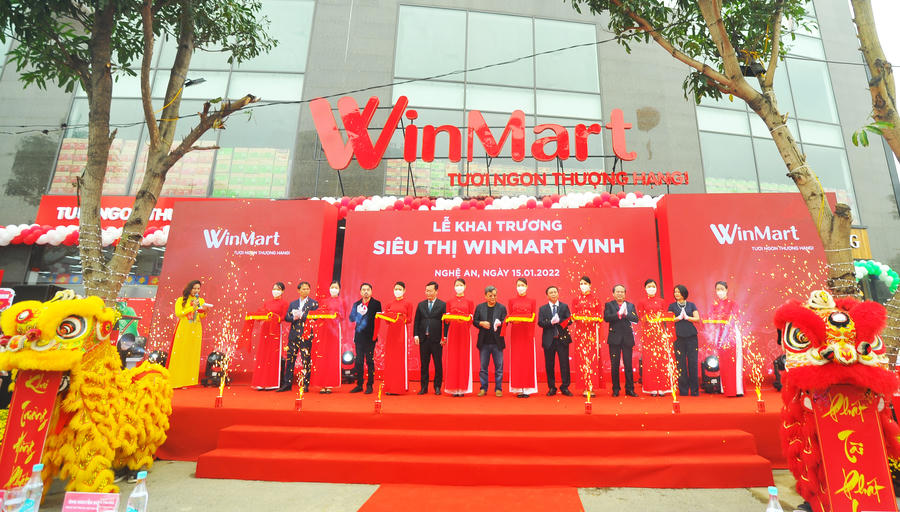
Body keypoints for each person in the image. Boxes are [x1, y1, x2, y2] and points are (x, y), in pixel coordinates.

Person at [244, 282, 290, 390]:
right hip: (265, 330)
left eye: (278, 289)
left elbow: (283, 317)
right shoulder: (267, 303)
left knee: (273, 354)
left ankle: (271, 383)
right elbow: (261, 314)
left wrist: (274, 317)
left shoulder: (284, 303)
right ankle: (260, 382)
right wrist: (259, 317)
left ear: (282, 291)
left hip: (275, 330)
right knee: (263, 354)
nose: (275, 291)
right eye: (274, 289)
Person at [169, 280, 211, 388]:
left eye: (198, 288)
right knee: (181, 353)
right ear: (190, 288)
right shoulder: (181, 300)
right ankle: (176, 381)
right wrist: (192, 307)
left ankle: (187, 381)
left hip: (196, 329)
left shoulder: (201, 300)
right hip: (184, 329)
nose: (196, 290)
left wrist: (205, 311)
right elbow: (179, 313)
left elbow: (200, 316)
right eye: (194, 288)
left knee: (192, 354)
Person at [280, 281, 319, 392]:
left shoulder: (313, 303)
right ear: (298, 290)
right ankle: (287, 384)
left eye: (307, 289)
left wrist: (303, 315)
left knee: (305, 360)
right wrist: (294, 317)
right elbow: (286, 317)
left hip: (306, 335)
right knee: (290, 359)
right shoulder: (293, 303)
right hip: (293, 335)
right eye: (303, 289)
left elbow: (316, 317)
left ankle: (305, 384)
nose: (305, 291)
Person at [603, 284, 640, 397]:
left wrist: (626, 314)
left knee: (628, 364)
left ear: (625, 294)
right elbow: (606, 318)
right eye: (617, 292)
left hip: (627, 338)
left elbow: (636, 319)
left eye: (622, 292)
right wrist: (618, 314)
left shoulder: (630, 305)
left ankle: (630, 389)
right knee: (615, 365)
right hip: (614, 339)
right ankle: (616, 389)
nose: (620, 294)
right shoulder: (609, 305)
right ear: (613, 294)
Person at [570, 276, 604, 396]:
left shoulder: (596, 299)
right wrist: (578, 317)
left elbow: (600, 316)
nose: (583, 285)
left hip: (592, 333)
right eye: (581, 283)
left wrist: (591, 318)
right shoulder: (576, 299)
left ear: (590, 285)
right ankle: (584, 386)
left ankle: (592, 386)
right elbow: (573, 315)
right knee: (582, 359)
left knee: (592, 359)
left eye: (585, 283)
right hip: (580, 333)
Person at [637, 279, 671, 396]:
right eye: (649, 286)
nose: (651, 288)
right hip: (648, 334)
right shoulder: (641, 302)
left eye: (653, 286)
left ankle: (662, 388)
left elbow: (665, 316)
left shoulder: (662, 301)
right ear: (645, 288)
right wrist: (650, 316)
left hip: (660, 333)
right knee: (650, 360)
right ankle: (651, 388)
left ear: (656, 288)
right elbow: (640, 317)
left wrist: (660, 316)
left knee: (661, 359)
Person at [708, 281, 742, 397]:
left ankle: (736, 390)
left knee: (732, 362)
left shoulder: (733, 303)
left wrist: (725, 320)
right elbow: (711, 318)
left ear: (727, 290)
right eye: (718, 289)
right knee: (723, 362)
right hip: (720, 335)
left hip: (731, 334)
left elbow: (736, 317)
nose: (720, 291)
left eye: (722, 289)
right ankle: (726, 388)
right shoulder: (714, 305)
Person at [379, 281, 413, 395]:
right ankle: (390, 387)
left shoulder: (408, 304)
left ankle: (399, 387)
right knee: (390, 359)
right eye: (396, 289)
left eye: (399, 289)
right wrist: (387, 316)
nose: (397, 291)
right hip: (391, 333)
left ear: (404, 290)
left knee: (400, 359)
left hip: (401, 332)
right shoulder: (389, 304)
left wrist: (401, 317)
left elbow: (409, 319)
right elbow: (387, 321)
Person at [537, 285, 573, 397]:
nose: (553, 294)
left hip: (562, 340)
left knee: (564, 364)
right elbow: (540, 323)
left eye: (555, 292)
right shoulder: (543, 309)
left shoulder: (564, 306)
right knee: (549, 365)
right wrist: (551, 322)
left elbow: (570, 320)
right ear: (547, 296)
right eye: (551, 292)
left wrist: (559, 321)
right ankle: (552, 387)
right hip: (549, 341)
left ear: (558, 293)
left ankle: (565, 387)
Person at [310, 281, 345, 393]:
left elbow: (343, 316)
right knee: (322, 354)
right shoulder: (324, 301)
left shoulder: (342, 301)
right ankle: (322, 384)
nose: (333, 289)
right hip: (323, 329)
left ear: (339, 289)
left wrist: (335, 315)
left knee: (332, 356)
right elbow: (320, 313)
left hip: (334, 331)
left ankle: (330, 384)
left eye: (336, 287)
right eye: (332, 287)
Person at [413, 281, 447, 395]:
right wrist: (416, 335)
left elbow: (446, 322)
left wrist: (444, 337)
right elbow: (417, 321)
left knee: (438, 364)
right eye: (426, 291)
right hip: (424, 339)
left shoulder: (442, 305)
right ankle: (424, 387)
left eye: (430, 291)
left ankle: (437, 387)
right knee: (424, 364)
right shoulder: (421, 305)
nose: (427, 293)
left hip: (437, 340)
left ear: (436, 291)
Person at [443, 278, 475, 397]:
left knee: (463, 358)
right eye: (456, 285)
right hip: (453, 332)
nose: (458, 287)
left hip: (464, 332)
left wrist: (465, 319)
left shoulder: (469, 302)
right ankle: (453, 389)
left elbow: (471, 318)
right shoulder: (449, 302)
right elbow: (446, 320)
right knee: (453, 358)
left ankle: (462, 388)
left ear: (465, 287)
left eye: (461, 285)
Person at [473, 286, 507, 397]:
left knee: (499, 368)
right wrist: (481, 323)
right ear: (485, 296)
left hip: (497, 343)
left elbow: (505, 321)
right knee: (483, 368)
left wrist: (500, 323)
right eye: (490, 296)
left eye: (495, 295)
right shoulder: (480, 307)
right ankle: (483, 388)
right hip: (484, 342)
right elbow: (474, 321)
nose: (493, 297)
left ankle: (498, 389)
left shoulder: (502, 308)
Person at [668, 284, 701, 397]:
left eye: (678, 292)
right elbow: (668, 320)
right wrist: (678, 318)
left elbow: (697, 319)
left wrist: (687, 317)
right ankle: (683, 390)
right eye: (675, 292)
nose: (676, 294)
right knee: (680, 364)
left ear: (684, 293)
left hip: (691, 337)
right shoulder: (672, 306)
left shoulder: (691, 305)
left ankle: (695, 390)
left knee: (693, 363)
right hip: (678, 337)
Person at [506, 278, 537, 398]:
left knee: (527, 359)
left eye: (523, 285)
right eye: (518, 285)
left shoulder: (532, 301)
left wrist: (531, 333)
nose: (520, 287)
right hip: (516, 333)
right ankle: (518, 388)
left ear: (527, 286)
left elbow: (533, 317)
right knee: (517, 359)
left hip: (527, 333)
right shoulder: (511, 301)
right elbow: (510, 316)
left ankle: (527, 388)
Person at [349, 283, 381, 394]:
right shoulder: (356, 304)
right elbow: (351, 318)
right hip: (359, 337)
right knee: (358, 361)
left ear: (371, 291)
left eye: (368, 289)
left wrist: (375, 336)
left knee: (369, 361)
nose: (366, 292)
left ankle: (370, 385)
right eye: (363, 290)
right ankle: (359, 384)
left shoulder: (376, 304)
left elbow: (378, 321)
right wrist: (357, 313)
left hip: (370, 337)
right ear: (360, 292)